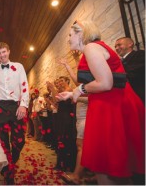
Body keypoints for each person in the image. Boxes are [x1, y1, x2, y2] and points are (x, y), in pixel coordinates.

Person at [56, 20, 145, 184]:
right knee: (105, 166)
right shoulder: (91, 50)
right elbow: (100, 88)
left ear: (81, 34)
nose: (68, 39)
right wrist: (71, 94)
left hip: (114, 107)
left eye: (70, 35)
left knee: (107, 165)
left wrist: (78, 90)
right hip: (107, 103)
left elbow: (105, 83)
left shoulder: (91, 48)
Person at [0, 42, 29, 184]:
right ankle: (8, 169)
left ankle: (12, 159)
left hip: (15, 106)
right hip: (0, 106)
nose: (2, 55)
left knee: (19, 140)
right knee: (3, 140)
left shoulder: (18, 67)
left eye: (4, 52)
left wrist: (23, 105)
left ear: (9, 51)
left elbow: (24, 85)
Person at [59, 58, 89, 184]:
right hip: (80, 117)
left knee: (80, 146)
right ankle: (88, 173)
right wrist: (67, 65)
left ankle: (77, 175)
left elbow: (91, 99)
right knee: (82, 145)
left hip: (85, 117)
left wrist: (73, 95)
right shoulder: (82, 86)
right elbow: (77, 81)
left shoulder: (90, 85)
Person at [115, 37, 145, 103]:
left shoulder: (140, 54)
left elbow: (132, 73)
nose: (116, 48)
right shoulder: (119, 62)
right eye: (115, 46)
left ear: (130, 44)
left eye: (119, 45)